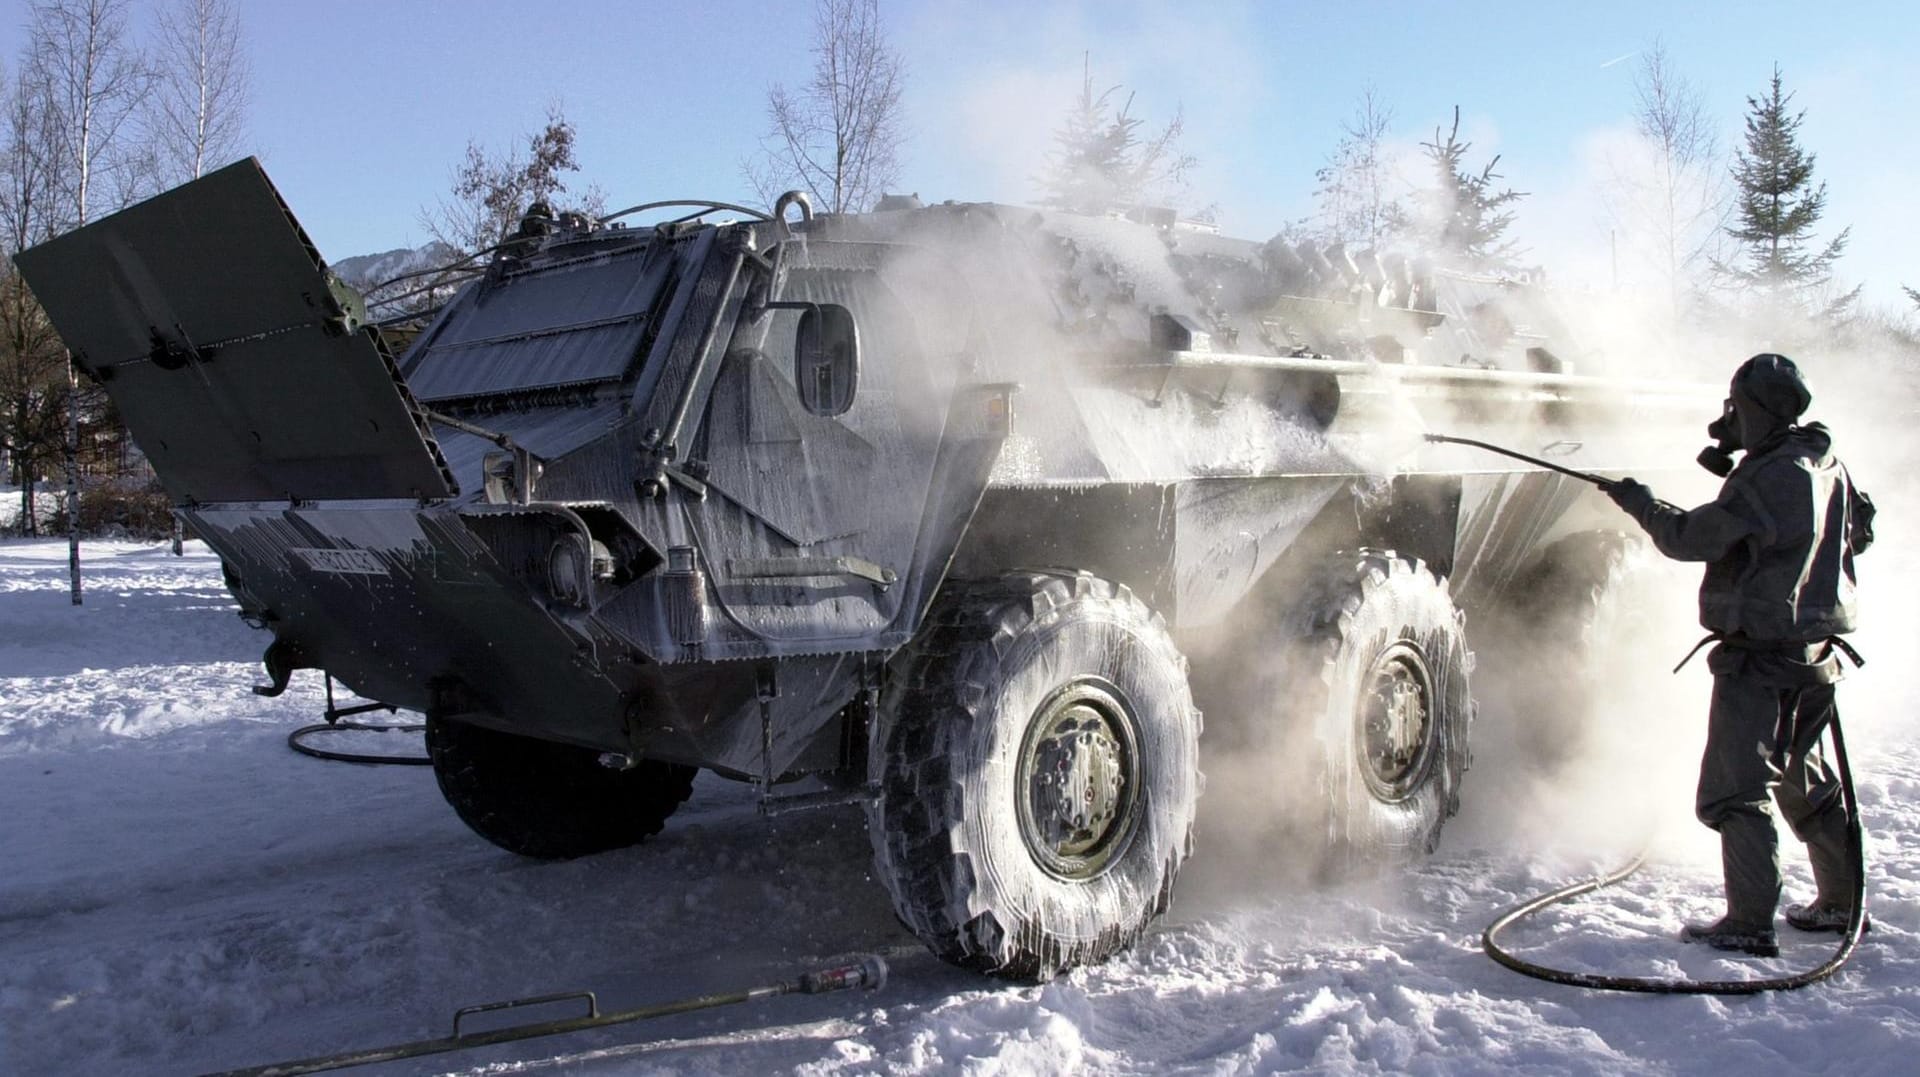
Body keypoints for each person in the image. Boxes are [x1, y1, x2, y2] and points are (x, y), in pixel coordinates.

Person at [1605, 353, 1874, 957]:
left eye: (1737, 409)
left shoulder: (1772, 475)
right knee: (1805, 779)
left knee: (1736, 790)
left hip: (1761, 660)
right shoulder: (1825, 461)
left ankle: (1750, 921)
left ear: (1757, 410)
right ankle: (1839, 901)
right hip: (1813, 653)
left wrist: (1640, 503)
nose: (1730, 419)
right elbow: (1859, 531)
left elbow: (1690, 539)